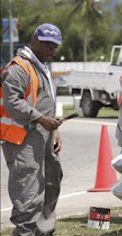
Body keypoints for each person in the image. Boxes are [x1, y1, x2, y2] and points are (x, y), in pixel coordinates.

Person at [1, 23, 63, 235]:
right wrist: (40, 119)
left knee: (51, 184)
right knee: (28, 193)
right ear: (35, 40)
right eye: (48, 45)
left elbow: (47, 102)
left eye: (55, 46)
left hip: (43, 135)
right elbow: (12, 103)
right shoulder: (18, 68)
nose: (52, 51)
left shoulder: (41, 67)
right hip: (22, 139)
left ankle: (43, 231)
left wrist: (54, 130)